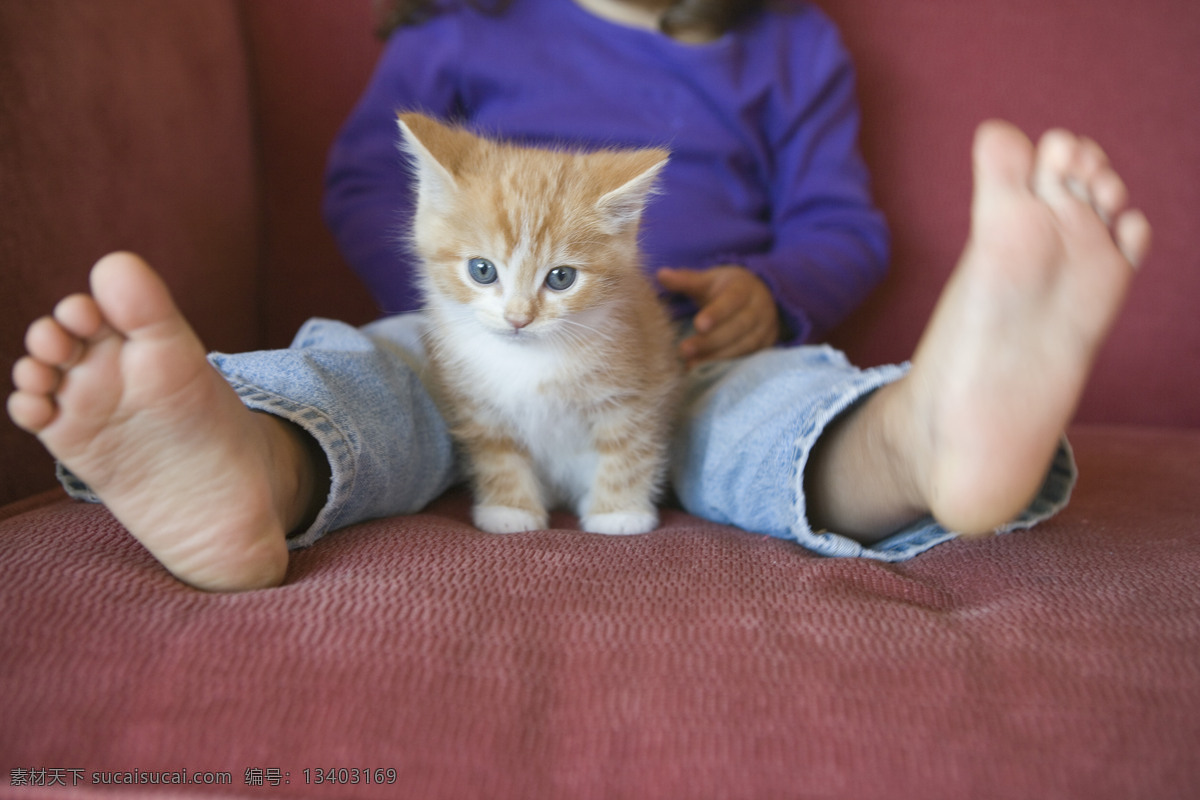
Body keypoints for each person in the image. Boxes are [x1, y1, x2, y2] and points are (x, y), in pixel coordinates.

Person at [6, 0, 1151, 592]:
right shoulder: (462, 27)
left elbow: (840, 224)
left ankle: (919, 439)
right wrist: (462, 302)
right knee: (377, 364)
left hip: (694, 346)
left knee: (762, 408)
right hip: (464, 323)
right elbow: (368, 178)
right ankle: (246, 453)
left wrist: (773, 289)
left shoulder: (791, 43)